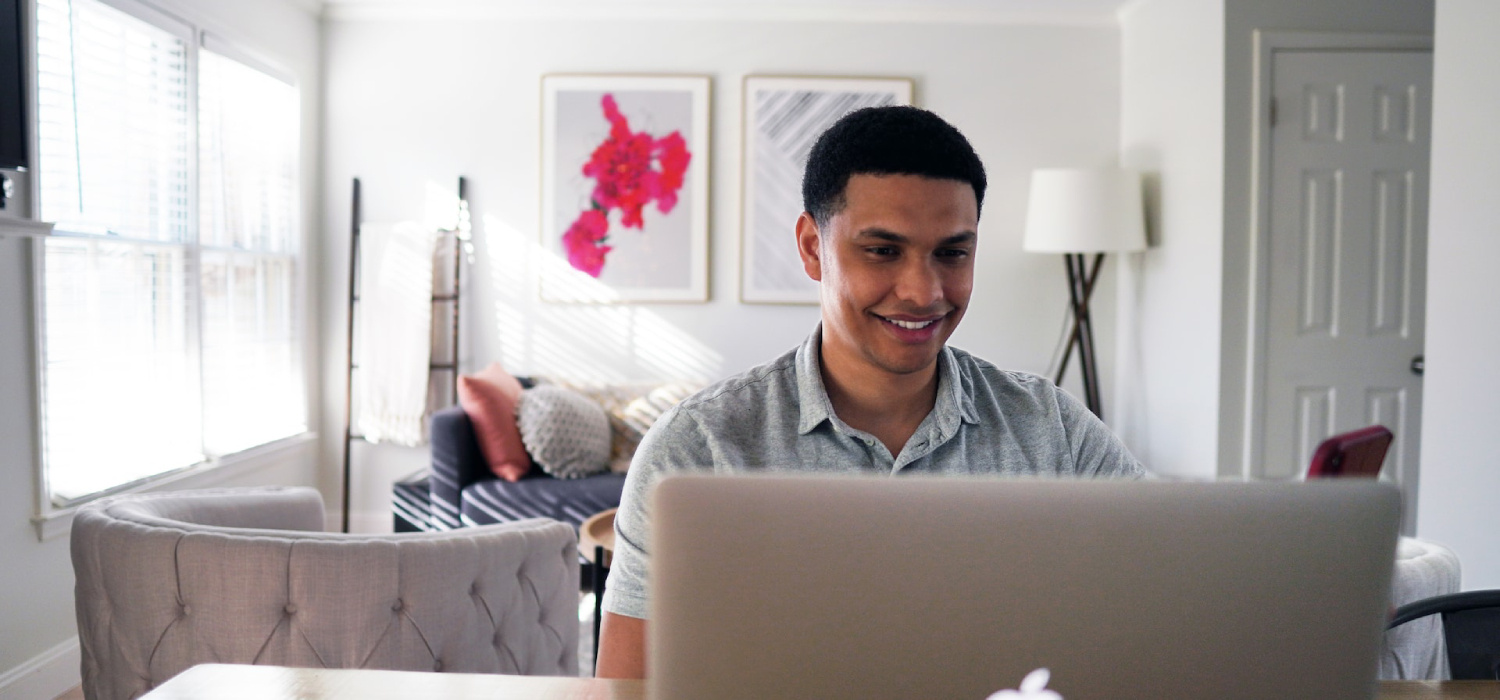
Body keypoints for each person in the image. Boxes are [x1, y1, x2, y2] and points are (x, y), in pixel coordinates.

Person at [595, 106, 1146, 679]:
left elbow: (1164, 600)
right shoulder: (697, 446)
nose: (923, 291)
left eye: (952, 253)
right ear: (813, 247)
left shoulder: (1051, 429)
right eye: (883, 251)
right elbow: (625, 688)